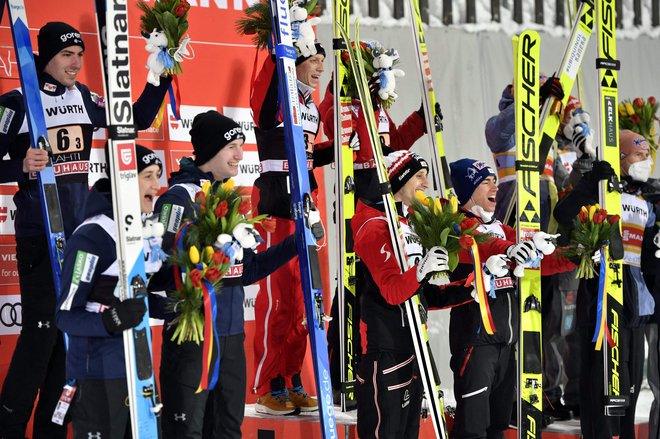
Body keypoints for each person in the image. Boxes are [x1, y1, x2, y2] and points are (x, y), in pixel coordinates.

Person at [0, 21, 170, 439]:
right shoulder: (19, 100)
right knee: (40, 338)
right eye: (66, 56)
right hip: (40, 234)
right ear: (45, 58)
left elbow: (138, 118)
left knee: (69, 337)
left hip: (78, 238)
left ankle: (51, 431)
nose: (75, 64)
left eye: (79, 55)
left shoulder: (85, 98)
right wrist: (18, 166)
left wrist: (159, 74)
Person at [151, 110, 303, 438]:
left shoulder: (230, 201)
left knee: (228, 431)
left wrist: (296, 243)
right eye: (232, 146)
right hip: (193, 338)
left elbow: (248, 271)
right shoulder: (178, 200)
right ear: (209, 151)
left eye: (241, 144)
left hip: (232, 340)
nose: (239, 154)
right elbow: (156, 272)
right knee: (186, 432)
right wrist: (200, 267)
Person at [318, 40, 428, 404]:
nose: (378, 78)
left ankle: (378, 359)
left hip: (385, 191)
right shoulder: (346, 102)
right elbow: (331, 127)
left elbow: (393, 143)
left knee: (384, 276)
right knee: (354, 281)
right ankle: (344, 368)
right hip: (358, 191)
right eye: (371, 70)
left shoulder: (377, 104)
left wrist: (420, 122)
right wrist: (339, 87)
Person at [485, 78, 595, 420]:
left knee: (546, 321)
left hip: (546, 237)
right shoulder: (503, 129)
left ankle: (544, 392)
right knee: (519, 320)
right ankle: (517, 395)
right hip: (516, 226)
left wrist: (584, 160)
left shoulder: (544, 145)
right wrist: (530, 101)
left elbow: (566, 187)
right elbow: (500, 128)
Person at [447, 158, 574, 438]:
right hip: (476, 344)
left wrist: (576, 255)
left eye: (494, 179)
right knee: (472, 429)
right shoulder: (457, 227)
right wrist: (512, 248)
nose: (495, 186)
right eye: (485, 181)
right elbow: (483, 246)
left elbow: (538, 261)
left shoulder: (500, 229)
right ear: (468, 191)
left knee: (498, 428)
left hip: (506, 344)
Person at [351, 150, 473, 438]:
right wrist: (419, 271)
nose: (426, 184)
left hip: (414, 347)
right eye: (419, 176)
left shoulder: (408, 224)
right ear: (400, 179)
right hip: (385, 350)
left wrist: (474, 287)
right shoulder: (374, 227)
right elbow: (393, 291)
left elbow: (427, 295)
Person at [54, 144, 165, 439]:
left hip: (139, 370)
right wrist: (109, 321)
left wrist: (178, 309)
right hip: (97, 373)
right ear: (126, 180)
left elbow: (134, 299)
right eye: (149, 176)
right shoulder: (93, 236)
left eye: (158, 176)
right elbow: (66, 316)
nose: (157, 185)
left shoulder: (142, 229)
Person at [554, 130, 657, 439]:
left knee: (631, 382)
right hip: (604, 292)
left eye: (648, 155)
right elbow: (564, 213)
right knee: (602, 382)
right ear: (622, 158)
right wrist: (589, 183)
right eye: (640, 155)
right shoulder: (603, 188)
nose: (646, 161)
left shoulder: (645, 195)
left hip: (636, 298)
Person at [249, 40, 332, 414]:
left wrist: (340, 151)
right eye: (313, 62)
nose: (318, 68)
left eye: (320, 62)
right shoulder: (278, 98)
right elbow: (264, 112)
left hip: (305, 207)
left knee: (303, 304)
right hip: (275, 208)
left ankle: (292, 377)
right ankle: (269, 385)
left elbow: (308, 154)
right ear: (293, 63)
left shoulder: (310, 106)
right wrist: (276, 52)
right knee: (277, 303)